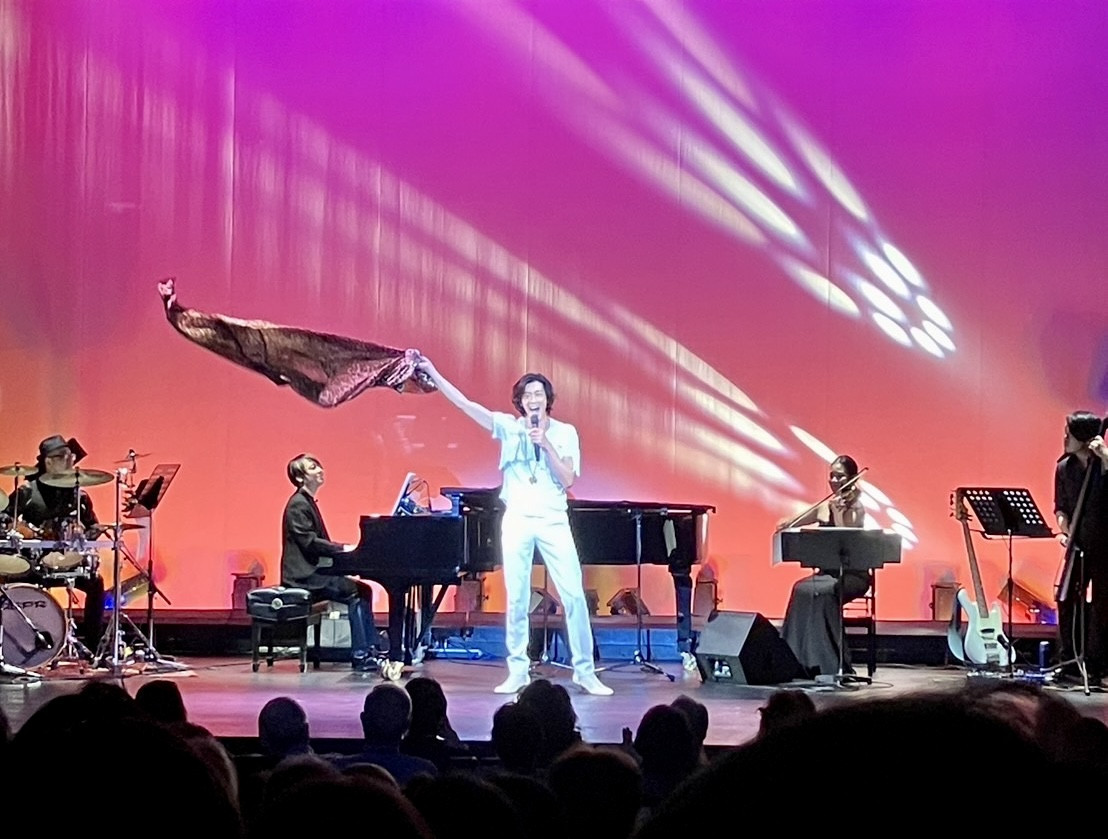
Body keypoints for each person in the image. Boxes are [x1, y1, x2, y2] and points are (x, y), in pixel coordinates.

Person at [414, 358, 612, 696]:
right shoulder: (508, 427)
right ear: (519, 401)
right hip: (518, 517)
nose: (533, 399)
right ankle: (518, 670)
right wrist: (433, 372)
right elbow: (465, 404)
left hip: (553, 519)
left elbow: (567, 479)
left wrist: (546, 444)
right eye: (527, 395)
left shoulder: (565, 432)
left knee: (574, 596)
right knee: (517, 597)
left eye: (538, 394)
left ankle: (585, 671)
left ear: (548, 399)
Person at [2, 434, 106, 649]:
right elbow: (3, 520)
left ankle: (93, 645)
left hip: (65, 563)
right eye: (63, 457)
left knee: (96, 582)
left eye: (71, 456)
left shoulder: (78, 494)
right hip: (32, 564)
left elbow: (93, 527)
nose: (70, 461)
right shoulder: (28, 491)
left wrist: (84, 535)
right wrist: (21, 529)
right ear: (48, 462)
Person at [281, 453, 378, 672]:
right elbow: (309, 542)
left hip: (314, 572)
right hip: (304, 576)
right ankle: (361, 655)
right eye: (312, 467)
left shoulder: (306, 502)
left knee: (363, 591)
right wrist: (341, 549)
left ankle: (370, 649)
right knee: (356, 593)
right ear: (300, 478)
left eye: (319, 466)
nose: (320, 470)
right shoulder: (298, 504)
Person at [778, 454, 871, 677]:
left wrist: (841, 510)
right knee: (801, 588)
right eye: (832, 476)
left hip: (853, 575)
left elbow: (846, 536)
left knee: (824, 592)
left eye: (840, 476)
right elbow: (793, 521)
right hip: (827, 573)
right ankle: (797, 659)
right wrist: (786, 523)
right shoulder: (825, 506)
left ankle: (833, 663)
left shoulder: (856, 508)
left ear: (852, 478)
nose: (834, 481)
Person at [1053, 411, 1108, 682]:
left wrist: (1105, 457)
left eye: (1070, 434)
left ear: (1085, 438)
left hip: (1105, 545)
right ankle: (1069, 660)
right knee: (1065, 598)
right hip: (1078, 544)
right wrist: (1065, 529)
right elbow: (1060, 507)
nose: (1065, 438)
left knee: (1102, 604)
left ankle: (1099, 664)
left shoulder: (1104, 465)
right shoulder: (1064, 467)